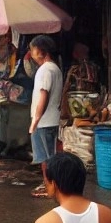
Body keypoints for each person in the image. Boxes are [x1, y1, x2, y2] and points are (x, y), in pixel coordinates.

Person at [27, 35, 65, 197]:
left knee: (49, 159)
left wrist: (35, 119)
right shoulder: (54, 68)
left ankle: (53, 188)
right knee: (46, 158)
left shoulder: (46, 70)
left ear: (40, 51)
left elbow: (44, 95)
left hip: (45, 121)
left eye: (32, 49)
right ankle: (48, 185)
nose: (31, 53)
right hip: (48, 120)